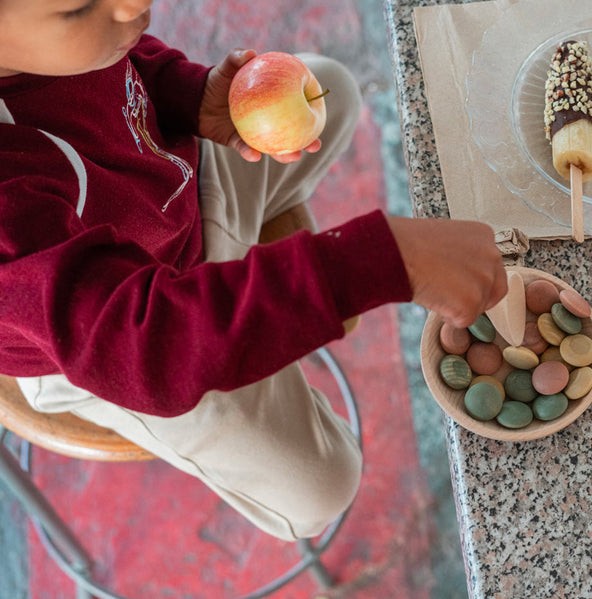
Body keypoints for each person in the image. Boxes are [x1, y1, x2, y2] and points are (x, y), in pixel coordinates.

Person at [0, 0, 507, 541]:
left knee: (331, 88)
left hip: (178, 201)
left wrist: (190, 98)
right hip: (126, 336)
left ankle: (245, 302)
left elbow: (125, 72)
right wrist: (383, 261)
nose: (136, 4)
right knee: (321, 485)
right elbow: (145, 342)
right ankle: (243, 325)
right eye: (78, 8)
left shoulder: (68, 37)